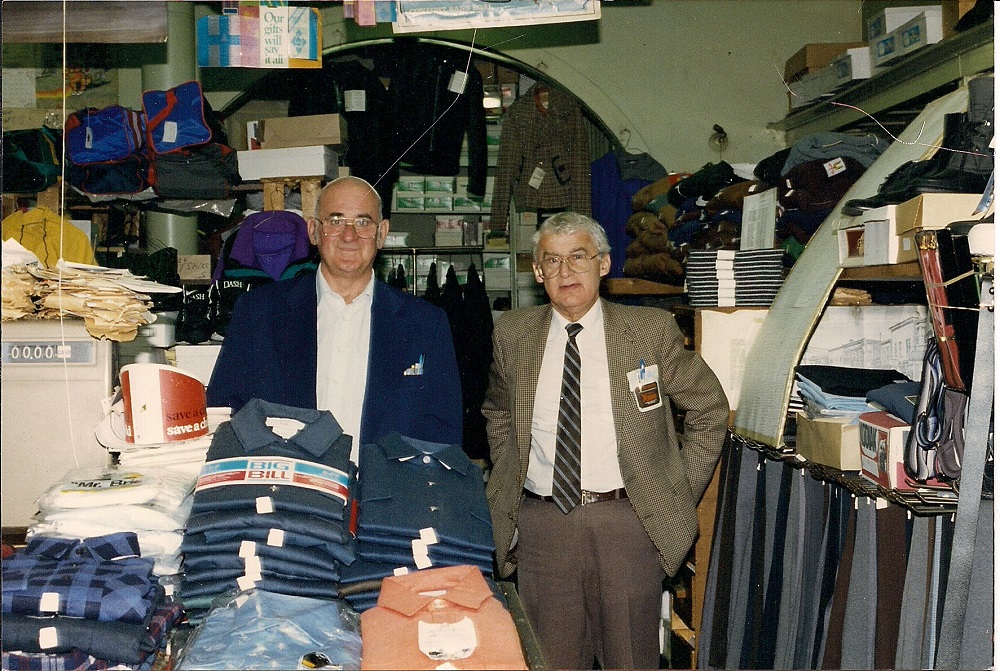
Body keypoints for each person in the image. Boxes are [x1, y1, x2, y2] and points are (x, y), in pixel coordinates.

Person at [482, 211, 729, 669]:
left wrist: (674, 492)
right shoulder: (512, 334)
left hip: (627, 525)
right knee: (546, 661)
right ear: (537, 273)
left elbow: (710, 411)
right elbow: (497, 412)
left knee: (630, 660)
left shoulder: (647, 331)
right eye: (551, 261)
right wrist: (514, 473)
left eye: (578, 257)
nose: (565, 271)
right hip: (542, 527)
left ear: (603, 264)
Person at [207, 175, 463, 461]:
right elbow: (224, 411)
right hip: (288, 493)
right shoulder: (259, 312)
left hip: (384, 498)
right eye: (336, 220)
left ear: (382, 234)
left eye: (363, 222)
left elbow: (444, 431)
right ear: (314, 230)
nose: (349, 235)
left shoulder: (426, 323)